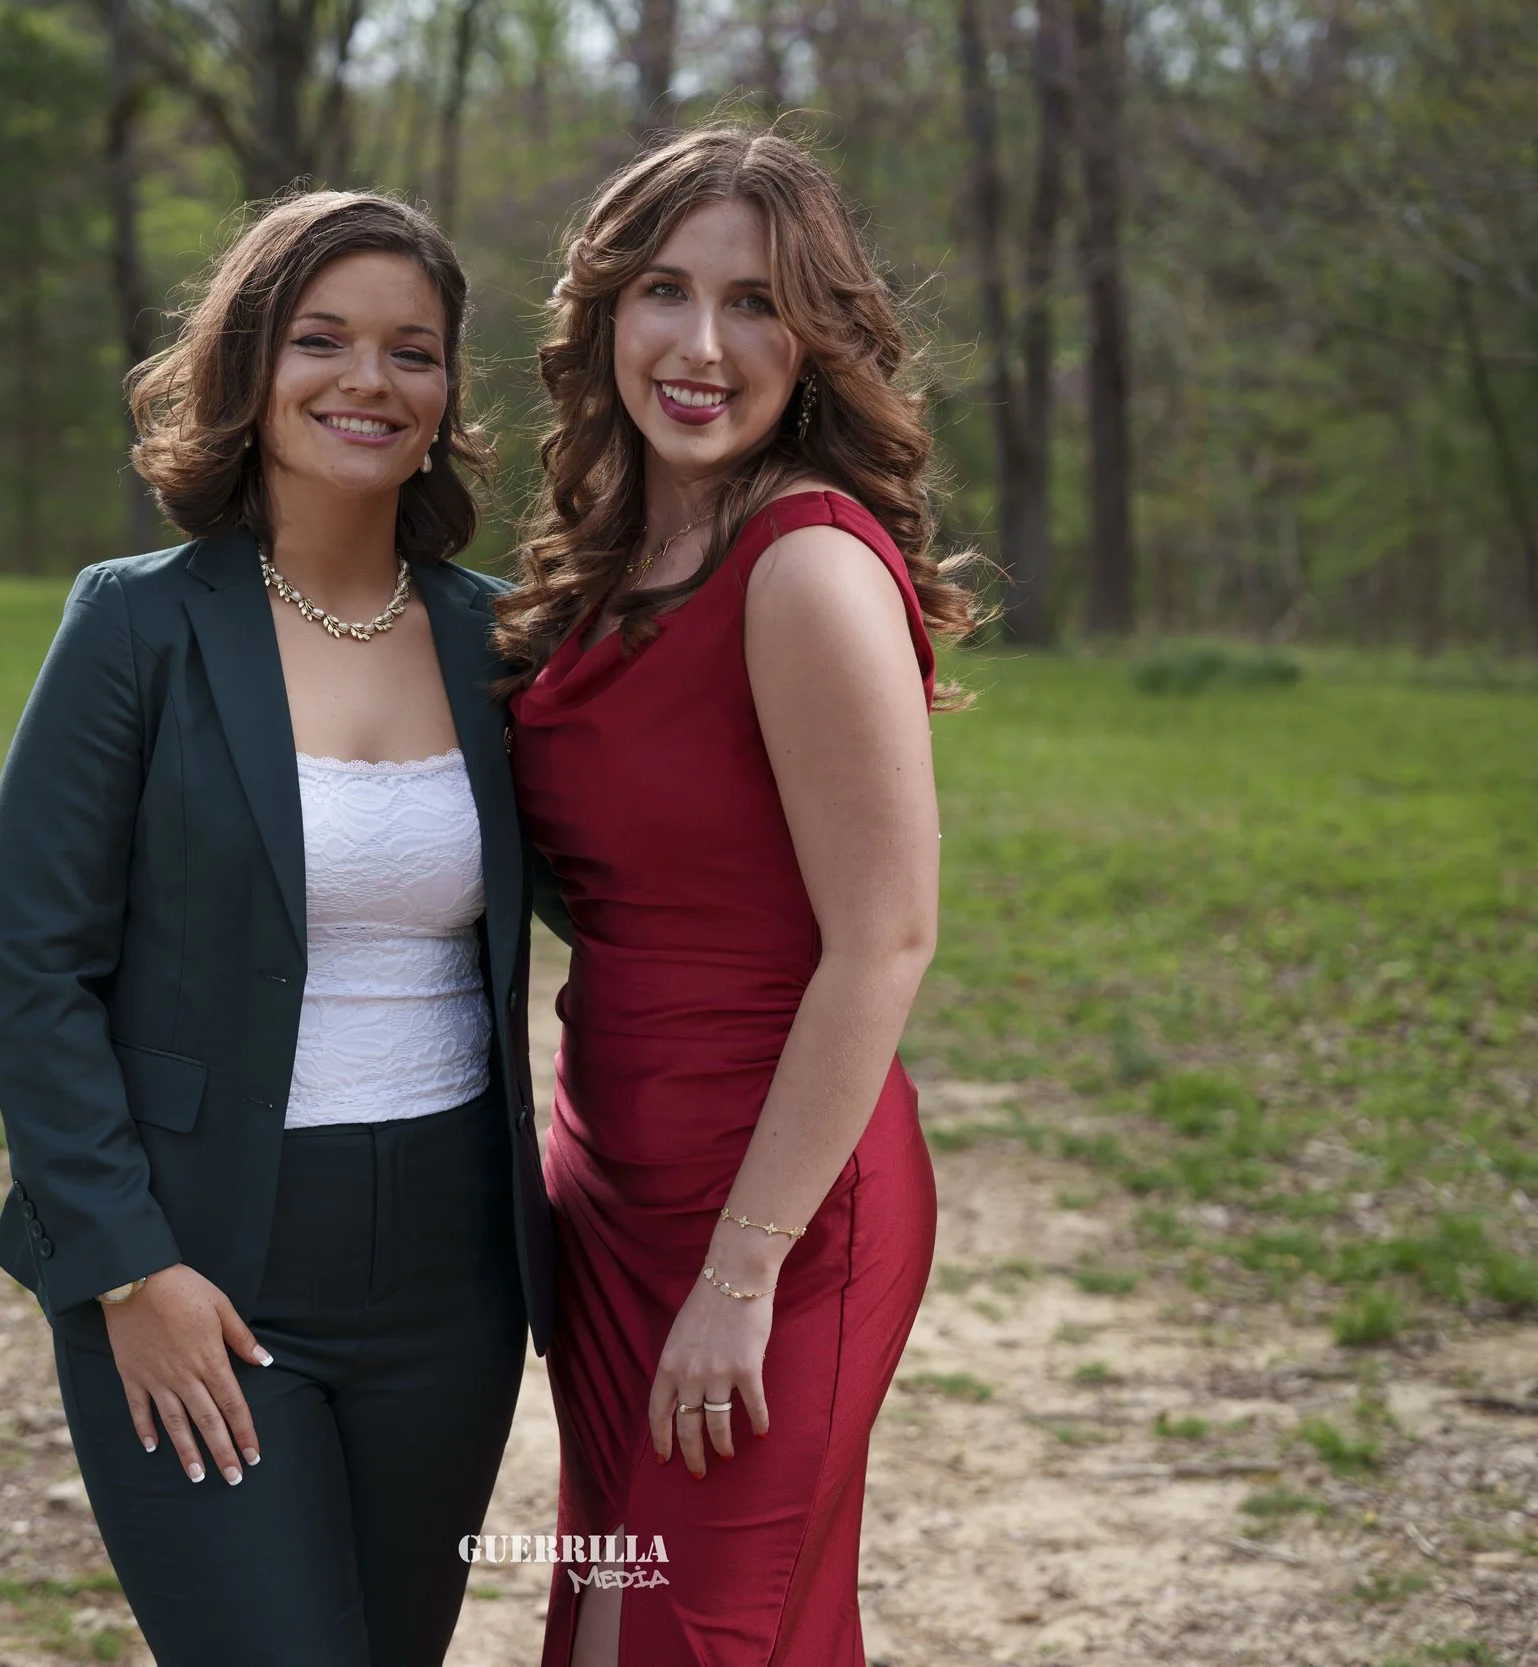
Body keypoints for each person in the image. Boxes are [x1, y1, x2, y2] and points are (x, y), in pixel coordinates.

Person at [0, 190, 553, 1667]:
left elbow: (640, 885)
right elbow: (36, 967)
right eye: (322, 339)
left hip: (452, 1277)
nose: (370, 379)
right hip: (201, 1258)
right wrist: (128, 1269)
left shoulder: (501, 642)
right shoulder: (137, 626)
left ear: (447, 393)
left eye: (413, 350)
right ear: (249, 364)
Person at [494, 127, 977, 1667]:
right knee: (609, 1628)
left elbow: (886, 936)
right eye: (665, 290)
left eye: (755, 302)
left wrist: (743, 1266)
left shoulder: (804, 564)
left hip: (779, 1208)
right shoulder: (610, 564)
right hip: (614, 1182)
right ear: (604, 312)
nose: (701, 344)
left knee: (696, 1638)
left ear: (816, 338)